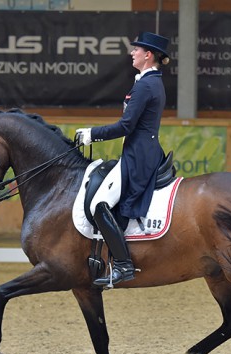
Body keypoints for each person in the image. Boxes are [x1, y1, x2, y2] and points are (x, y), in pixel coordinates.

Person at [75, 31, 170, 289]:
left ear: (148, 55)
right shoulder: (148, 82)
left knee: (100, 204)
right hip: (138, 151)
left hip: (138, 157)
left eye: (136, 49)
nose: (132, 52)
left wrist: (91, 134)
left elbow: (126, 126)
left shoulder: (147, 85)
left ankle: (124, 265)